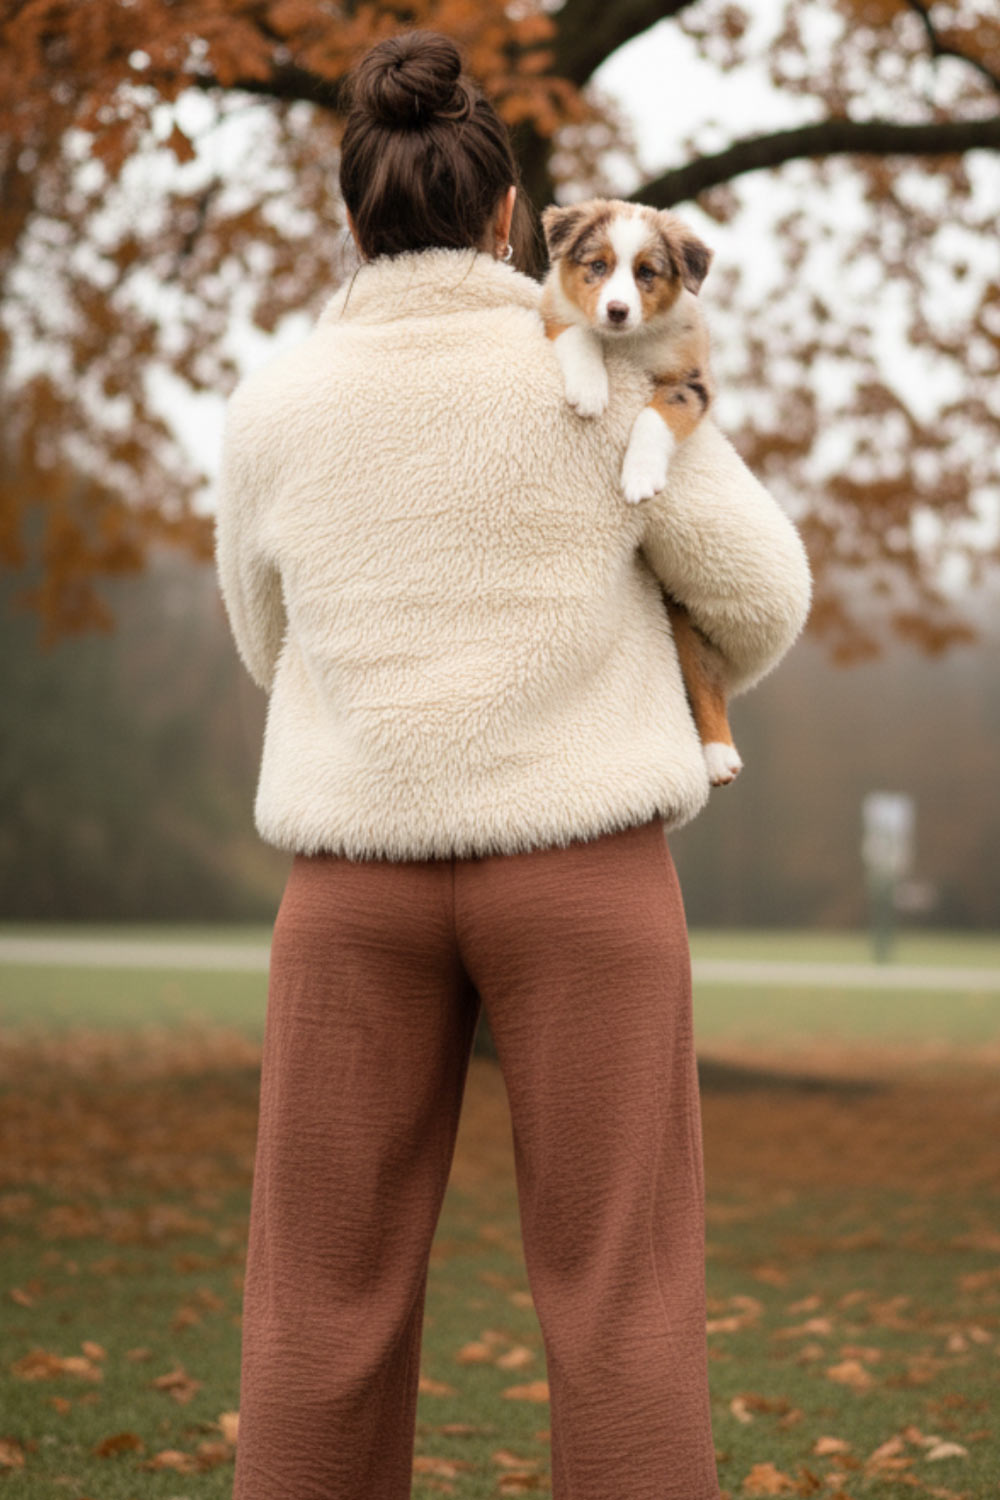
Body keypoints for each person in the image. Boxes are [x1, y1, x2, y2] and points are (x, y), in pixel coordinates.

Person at [215, 29, 811, 1500]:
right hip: (583, 879)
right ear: (508, 220)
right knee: (622, 1292)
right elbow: (760, 598)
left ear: (354, 215)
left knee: (320, 1295)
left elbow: (261, 641)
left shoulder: (276, 407)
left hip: (353, 882)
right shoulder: (611, 366)